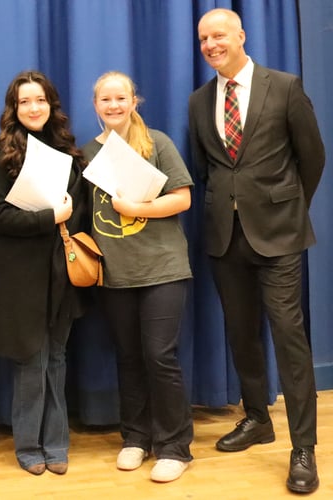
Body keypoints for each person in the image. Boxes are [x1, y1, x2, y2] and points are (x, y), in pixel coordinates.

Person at [189, 8, 325, 494]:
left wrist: (286, 210)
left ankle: (303, 447)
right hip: (226, 236)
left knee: (289, 339)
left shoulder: (284, 86)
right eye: (204, 38)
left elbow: (313, 157)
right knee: (241, 334)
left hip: (280, 235)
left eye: (218, 35)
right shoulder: (199, 101)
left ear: (241, 36)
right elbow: (207, 168)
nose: (210, 44)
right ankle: (256, 419)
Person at [83, 71, 194, 483]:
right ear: (96, 106)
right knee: (128, 358)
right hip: (115, 274)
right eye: (105, 100)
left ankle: (175, 448)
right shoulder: (87, 154)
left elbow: (182, 198)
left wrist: (137, 208)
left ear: (134, 101)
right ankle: (135, 438)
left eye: (121, 98)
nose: (113, 106)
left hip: (162, 269)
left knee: (160, 356)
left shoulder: (157, 143)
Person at [0, 70, 88, 475]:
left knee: (58, 357)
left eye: (40, 100)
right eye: (25, 101)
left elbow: (76, 210)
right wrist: (50, 217)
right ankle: (29, 447)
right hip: (21, 278)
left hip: (63, 270)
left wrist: (66, 214)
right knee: (32, 361)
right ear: (14, 108)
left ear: (51, 106)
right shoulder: (1, 153)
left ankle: (56, 444)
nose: (33, 107)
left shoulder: (66, 149)